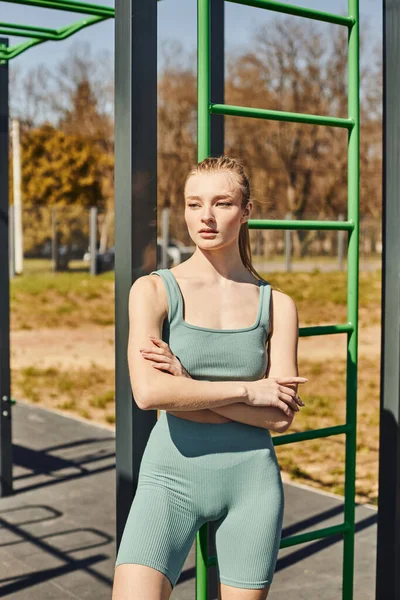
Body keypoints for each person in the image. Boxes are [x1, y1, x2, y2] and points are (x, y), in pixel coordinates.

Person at [112, 155, 307, 600]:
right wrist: (248, 390)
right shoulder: (154, 291)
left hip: (252, 483)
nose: (205, 216)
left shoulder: (277, 305)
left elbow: (279, 418)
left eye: (221, 203)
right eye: (193, 204)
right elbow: (150, 392)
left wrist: (190, 385)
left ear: (246, 211)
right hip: (170, 476)